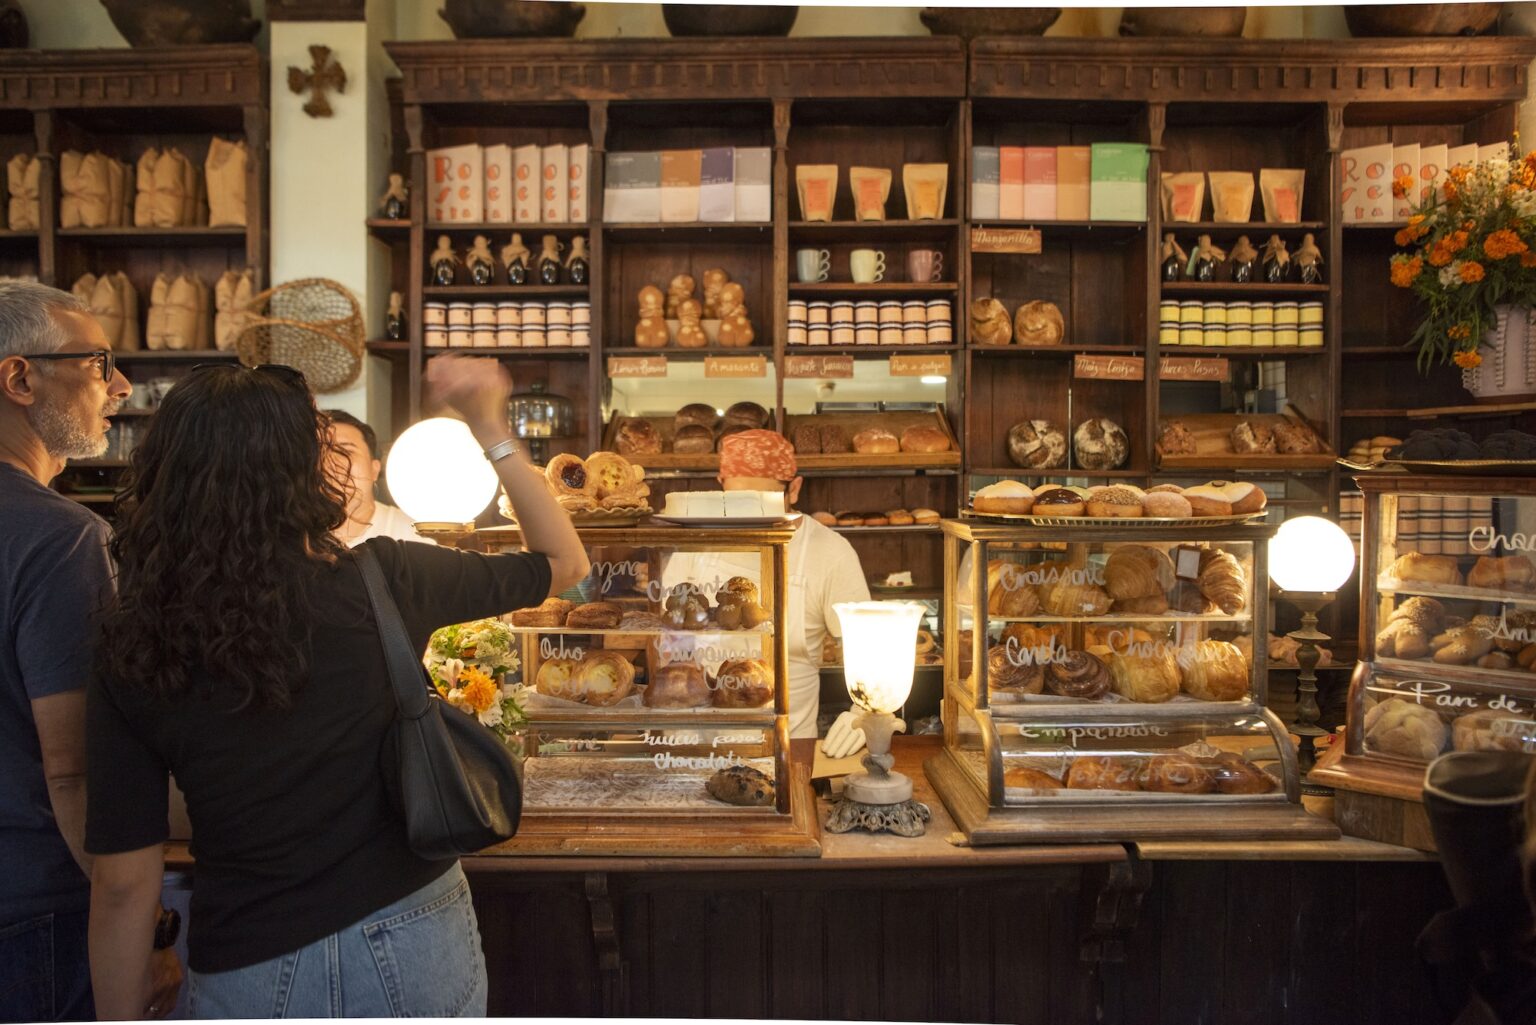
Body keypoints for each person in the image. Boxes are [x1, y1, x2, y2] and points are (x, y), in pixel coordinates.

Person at [85, 355, 588, 1018]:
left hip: (248, 953)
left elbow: (123, 882)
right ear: (302, 467)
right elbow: (564, 563)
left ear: (165, 474)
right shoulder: (387, 576)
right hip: (413, 936)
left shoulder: (133, 638)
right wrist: (489, 425)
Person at [0, 281, 181, 1020]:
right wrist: (147, 934)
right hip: (35, 910)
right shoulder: (59, 535)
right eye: (97, 362)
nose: (120, 385)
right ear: (19, 378)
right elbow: (75, 770)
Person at [661, 429, 873, 748]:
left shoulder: (830, 553)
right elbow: (670, 641)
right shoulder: (696, 544)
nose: (750, 516)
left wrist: (865, 711)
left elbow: (870, 648)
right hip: (694, 740)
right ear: (721, 487)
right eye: (735, 503)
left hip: (786, 744)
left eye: (763, 502)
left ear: (795, 489)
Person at [324, 408, 434, 545]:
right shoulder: (295, 538)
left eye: (345, 450)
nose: (331, 461)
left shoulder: (414, 534)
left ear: (374, 469)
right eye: (320, 451)